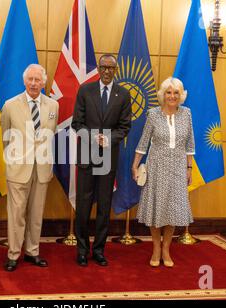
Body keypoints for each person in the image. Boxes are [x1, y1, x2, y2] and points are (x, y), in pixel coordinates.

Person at [71, 54, 131, 267]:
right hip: (87, 155)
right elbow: (76, 123)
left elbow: (125, 127)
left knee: (104, 207)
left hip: (108, 157)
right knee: (84, 205)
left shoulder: (123, 94)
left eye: (111, 68)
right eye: (103, 67)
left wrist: (108, 139)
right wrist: (92, 137)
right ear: (98, 68)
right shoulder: (85, 90)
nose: (107, 71)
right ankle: (81, 250)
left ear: (115, 70)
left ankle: (99, 250)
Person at [0, 64, 59, 272]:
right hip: (18, 169)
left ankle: (32, 252)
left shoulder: (53, 106)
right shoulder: (10, 105)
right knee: (16, 214)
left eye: (38, 80)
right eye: (30, 80)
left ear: (44, 82)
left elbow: (50, 136)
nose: (34, 83)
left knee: (36, 213)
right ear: (24, 81)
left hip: (42, 168)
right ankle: (13, 254)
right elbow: (5, 137)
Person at [132, 77, 195, 268]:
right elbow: (143, 142)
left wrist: (189, 168)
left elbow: (190, 144)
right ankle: (156, 248)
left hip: (177, 168)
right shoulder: (153, 114)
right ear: (163, 94)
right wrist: (135, 166)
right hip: (156, 167)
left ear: (181, 95)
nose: (172, 96)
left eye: (176, 92)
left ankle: (166, 248)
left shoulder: (187, 114)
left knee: (173, 210)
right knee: (156, 209)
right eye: (168, 92)